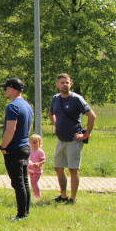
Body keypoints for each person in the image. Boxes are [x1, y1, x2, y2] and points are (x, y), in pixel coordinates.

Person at [48, 73, 97, 204]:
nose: (65, 85)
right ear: (57, 85)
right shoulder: (55, 99)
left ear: (71, 84)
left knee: (73, 169)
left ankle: (73, 198)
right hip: (61, 140)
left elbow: (92, 116)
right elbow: (50, 113)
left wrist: (86, 134)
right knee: (58, 167)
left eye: (67, 82)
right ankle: (63, 195)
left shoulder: (76, 99)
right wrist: (56, 124)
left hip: (74, 140)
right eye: (62, 82)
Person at [0, 78, 33, 222]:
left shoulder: (12, 106)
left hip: (14, 148)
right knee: (24, 182)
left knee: (18, 183)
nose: (5, 91)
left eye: (5, 88)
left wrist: (3, 146)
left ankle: (21, 215)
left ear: (12, 89)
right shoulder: (27, 105)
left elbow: (10, 130)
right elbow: (29, 127)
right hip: (25, 146)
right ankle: (25, 212)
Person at [28, 133, 46, 199]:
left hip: (37, 170)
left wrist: (39, 163)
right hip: (31, 169)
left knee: (34, 182)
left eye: (35, 143)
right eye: (32, 143)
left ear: (39, 143)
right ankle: (35, 194)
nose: (34, 144)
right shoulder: (30, 151)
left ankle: (38, 195)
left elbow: (44, 160)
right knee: (32, 182)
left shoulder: (40, 152)